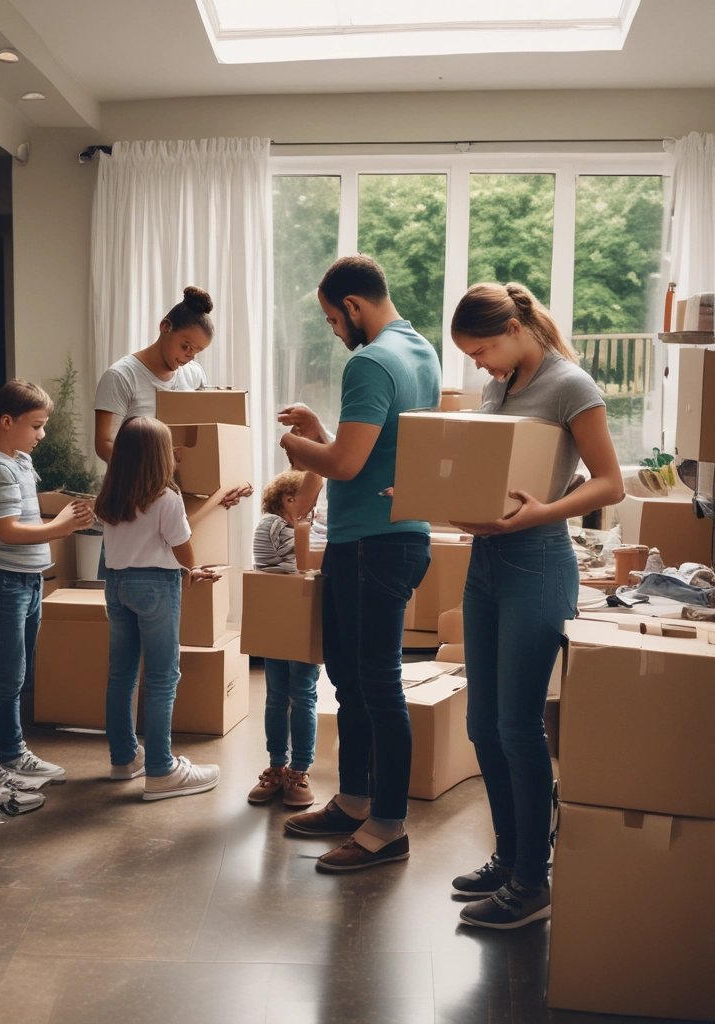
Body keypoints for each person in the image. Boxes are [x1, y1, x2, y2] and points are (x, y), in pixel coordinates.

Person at [447, 282, 623, 929]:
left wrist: (545, 511)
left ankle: (532, 883)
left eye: (483, 349)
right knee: (481, 725)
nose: (480, 365)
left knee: (518, 727)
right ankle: (510, 856)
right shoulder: (499, 389)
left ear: (517, 326)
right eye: (471, 356)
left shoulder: (570, 384)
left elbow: (611, 481)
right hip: (487, 562)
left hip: (539, 561)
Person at [278, 255, 440, 874]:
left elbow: (344, 466)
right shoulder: (419, 351)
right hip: (388, 536)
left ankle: (387, 827)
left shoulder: (369, 361)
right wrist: (322, 430)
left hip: (373, 541)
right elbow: (375, 447)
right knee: (349, 679)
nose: (333, 331)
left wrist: (297, 446)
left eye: (330, 318)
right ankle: (353, 801)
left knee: (375, 684)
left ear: (353, 305)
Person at [0, 379, 95, 792]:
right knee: (3, 676)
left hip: (27, 582)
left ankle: (13, 751)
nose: (42, 434)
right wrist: (60, 527)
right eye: (36, 426)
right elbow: (9, 531)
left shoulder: (17, 460)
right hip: (3, 583)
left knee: (17, 676)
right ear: (6, 422)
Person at [94, 416, 221, 801]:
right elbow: (180, 543)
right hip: (155, 586)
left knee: (122, 675)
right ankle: (162, 770)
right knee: (164, 677)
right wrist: (192, 569)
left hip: (116, 586)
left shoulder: (111, 494)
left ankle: (124, 757)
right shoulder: (166, 497)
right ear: (159, 456)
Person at [93, 286, 251, 507]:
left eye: (197, 352)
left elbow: (205, 437)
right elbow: (104, 444)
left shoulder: (194, 374)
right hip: (133, 501)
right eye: (185, 346)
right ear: (165, 327)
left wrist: (224, 485)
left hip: (182, 498)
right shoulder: (121, 376)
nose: (189, 356)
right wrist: (155, 462)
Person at [248, 469, 324, 809]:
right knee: (285, 693)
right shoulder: (275, 525)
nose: (313, 509)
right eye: (309, 502)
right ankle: (281, 765)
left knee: (294, 693)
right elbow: (304, 556)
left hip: (288, 608)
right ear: (290, 500)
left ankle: (296, 768)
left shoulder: (282, 525)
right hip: (287, 607)